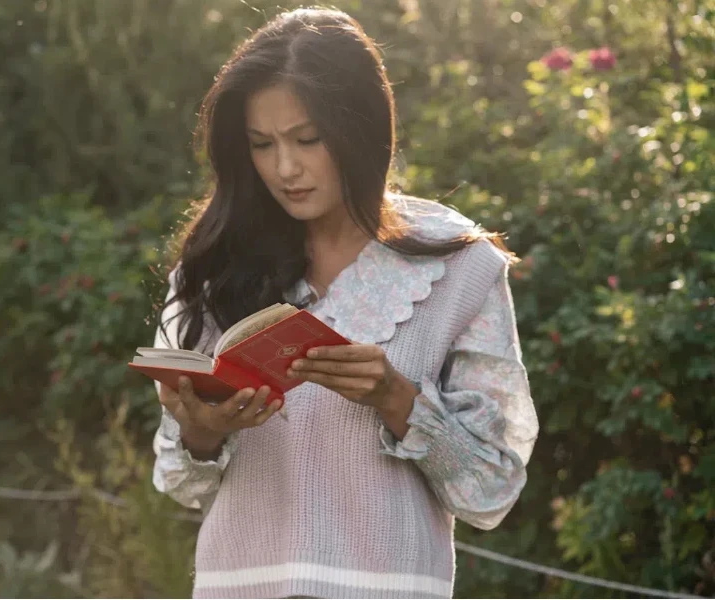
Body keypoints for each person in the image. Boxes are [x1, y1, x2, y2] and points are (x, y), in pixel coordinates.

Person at [149, 7, 539, 599]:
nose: (285, 168)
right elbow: (179, 480)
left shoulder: (457, 265)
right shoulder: (216, 265)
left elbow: (492, 491)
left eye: (307, 139)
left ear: (361, 129)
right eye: (261, 144)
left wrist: (397, 398)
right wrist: (201, 433)